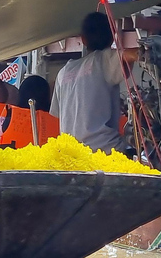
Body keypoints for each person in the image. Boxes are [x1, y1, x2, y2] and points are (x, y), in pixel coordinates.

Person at [50, 12, 137, 153]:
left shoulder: (63, 72)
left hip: (70, 154)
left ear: (83, 40)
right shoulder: (103, 60)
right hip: (104, 151)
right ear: (112, 37)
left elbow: (59, 114)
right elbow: (131, 55)